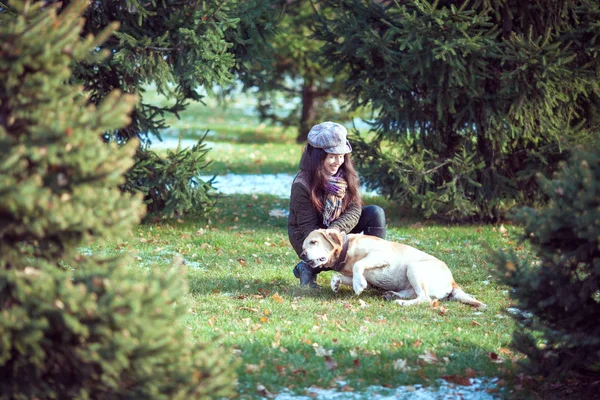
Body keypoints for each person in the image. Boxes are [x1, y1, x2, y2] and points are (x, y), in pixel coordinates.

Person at [287, 121, 386, 287]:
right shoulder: (302, 184)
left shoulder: (346, 175)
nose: (337, 161)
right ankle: (307, 267)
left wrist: (335, 232)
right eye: (331, 157)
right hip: (308, 235)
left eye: (341, 156)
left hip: (337, 229)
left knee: (375, 213)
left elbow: (355, 209)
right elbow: (307, 227)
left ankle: (374, 268)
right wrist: (330, 241)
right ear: (317, 158)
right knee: (316, 246)